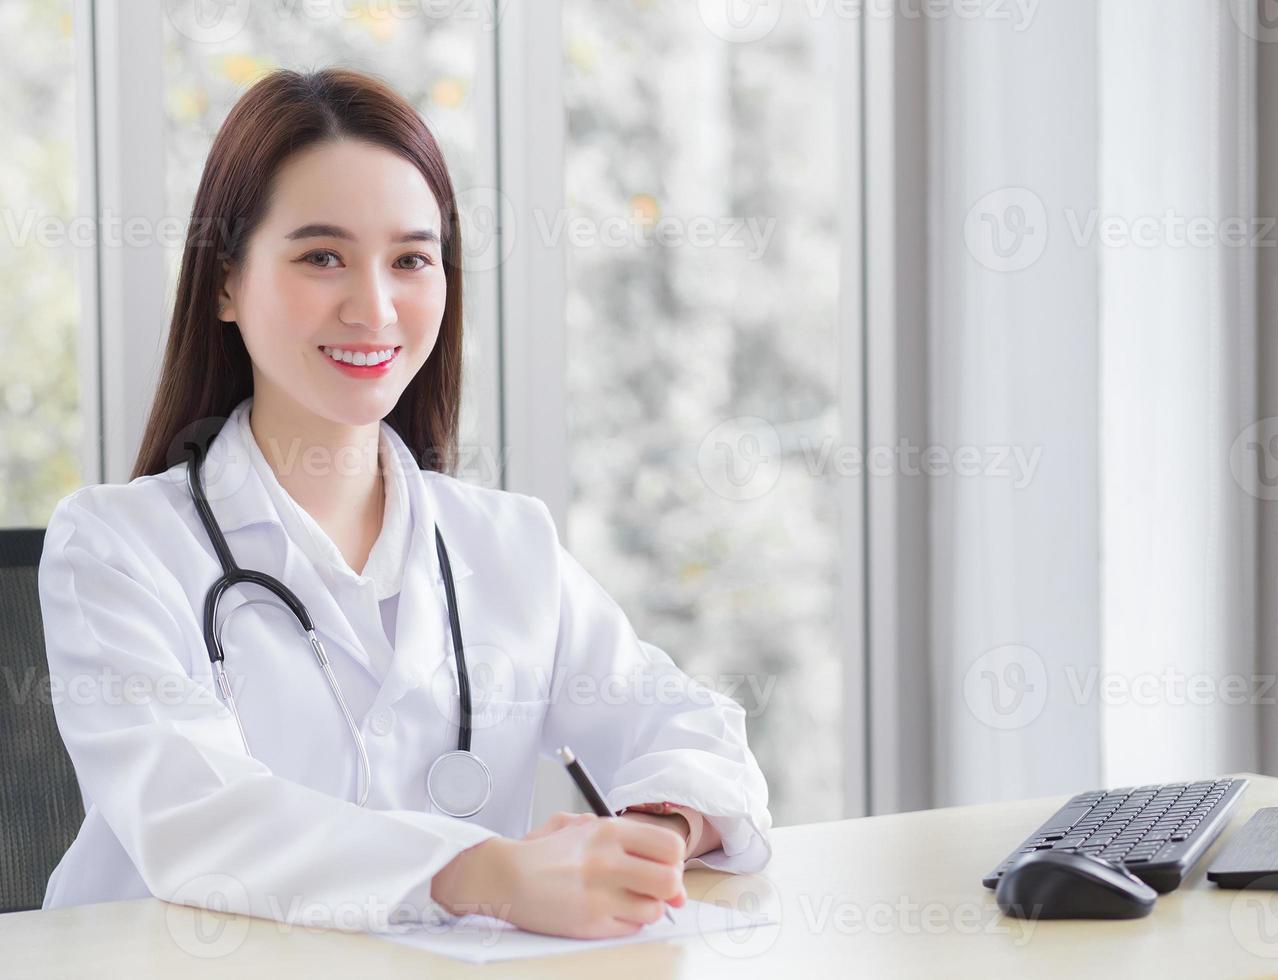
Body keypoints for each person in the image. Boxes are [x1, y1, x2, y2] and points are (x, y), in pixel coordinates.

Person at [38, 66, 772, 940]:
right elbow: (197, 818)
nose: (374, 307)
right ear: (226, 282)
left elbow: (690, 722)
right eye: (322, 257)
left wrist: (652, 834)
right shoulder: (118, 548)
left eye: (412, 260)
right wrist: (486, 874)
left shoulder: (506, 543)